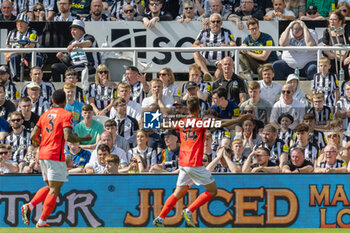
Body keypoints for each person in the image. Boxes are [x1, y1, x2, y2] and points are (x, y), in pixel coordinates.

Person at [153, 96, 249, 227]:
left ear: (187, 108)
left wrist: (153, 120)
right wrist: (241, 119)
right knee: (213, 191)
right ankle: (189, 210)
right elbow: (222, 123)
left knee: (178, 192)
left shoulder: (181, 122)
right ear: (199, 108)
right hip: (194, 164)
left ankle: (160, 217)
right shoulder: (200, 122)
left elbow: (165, 124)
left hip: (183, 163)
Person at [22, 89, 91, 227]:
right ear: (65, 102)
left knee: (49, 186)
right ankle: (41, 220)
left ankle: (30, 206)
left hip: (42, 154)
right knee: (55, 189)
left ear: (52, 101)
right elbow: (68, 136)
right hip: (55, 155)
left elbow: (33, 135)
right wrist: (84, 138)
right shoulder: (66, 114)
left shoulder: (45, 114)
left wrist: (39, 148)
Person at [193, 13, 236, 81]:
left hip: (220, 60)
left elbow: (234, 45)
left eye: (218, 21)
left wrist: (227, 46)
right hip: (206, 59)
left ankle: (214, 82)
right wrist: (199, 46)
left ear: (221, 23)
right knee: (195, 53)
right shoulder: (203, 32)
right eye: (213, 22)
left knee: (223, 63)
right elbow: (194, 45)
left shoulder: (227, 32)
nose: (215, 23)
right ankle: (207, 74)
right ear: (210, 23)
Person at [5, 13, 44, 81]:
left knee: (37, 58)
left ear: (27, 24)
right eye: (18, 22)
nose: (19, 24)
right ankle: (14, 79)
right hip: (16, 56)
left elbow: (29, 48)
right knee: (13, 58)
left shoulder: (33, 32)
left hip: (30, 55)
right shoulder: (12, 33)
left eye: (22, 22)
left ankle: (35, 79)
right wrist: (8, 54)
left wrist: (12, 52)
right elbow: (7, 48)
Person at [322, 10, 350, 81]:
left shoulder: (347, 29)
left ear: (340, 21)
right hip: (333, 58)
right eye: (330, 19)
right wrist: (329, 53)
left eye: (334, 20)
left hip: (346, 58)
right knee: (326, 64)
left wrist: (349, 57)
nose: (332, 21)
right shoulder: (327, 31)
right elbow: (324, 46)